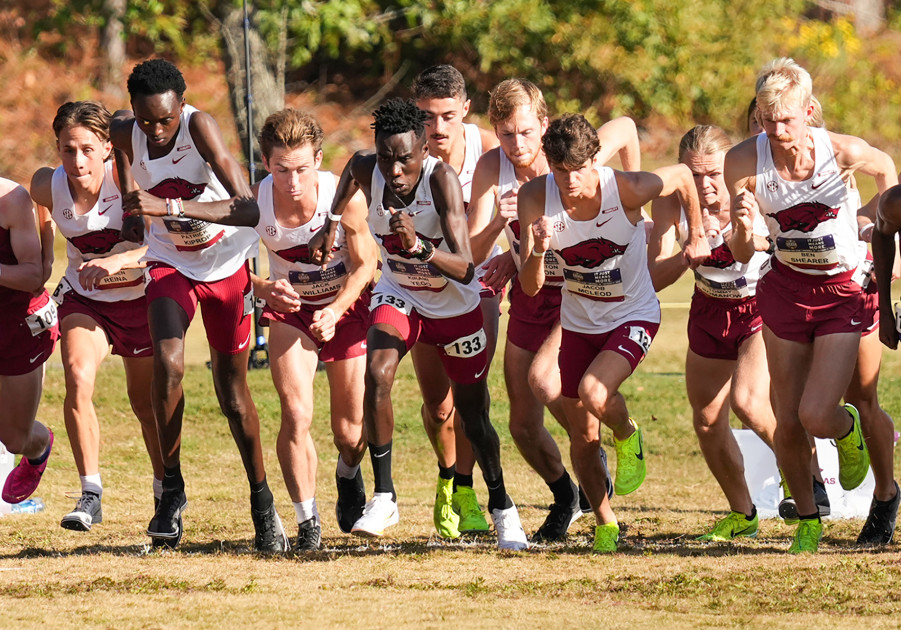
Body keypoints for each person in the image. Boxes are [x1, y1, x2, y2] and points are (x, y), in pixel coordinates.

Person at [311, 98, 528, 550]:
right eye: (387, 157)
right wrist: (330, 222)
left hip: (454, 305)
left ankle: (503, 506)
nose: (394, 171)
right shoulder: (368, 166)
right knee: (378, 373)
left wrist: (421, 249)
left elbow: (468, 267)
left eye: (405, 158)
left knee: (473, 415)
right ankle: (385, 496)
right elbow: (352, 170)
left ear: (424, 150)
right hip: (401, 292)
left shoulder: (442, 181)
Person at [109, 59, 288, 551]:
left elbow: (247, 207)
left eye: (165, 119)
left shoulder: (198, 126)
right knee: (167, 364)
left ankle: (262, 503)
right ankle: (171, 489)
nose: (157, 130)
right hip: (172, 264)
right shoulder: (126, 131)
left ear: (181, 107)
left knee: (232, 397)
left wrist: (167, 207)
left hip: (227, 266)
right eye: (147, 121)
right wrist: (130, 203)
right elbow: (123, 155)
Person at [725, 57, 897, 553]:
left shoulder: (840, 151)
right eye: (766, 119)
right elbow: (741, 252)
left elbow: (886, 168)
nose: (776, 131)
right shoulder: (742, 161)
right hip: (785, 289)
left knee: (827, 411)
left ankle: (874, 479)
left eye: (787, 119)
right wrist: (742, 227)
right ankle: (807, 517)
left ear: (810, 111)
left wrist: (880, 226)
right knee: (788, 415)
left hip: (844, 290)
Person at [518, 113, 707, 552]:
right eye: (559, 171)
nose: (568, 181)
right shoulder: (535, 197)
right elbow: (530, 286)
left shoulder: (623, 188)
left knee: (594, 392)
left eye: (578, 170)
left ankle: (627, 434)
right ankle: (605, 522)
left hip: (633, 313)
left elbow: (680, 175)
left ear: (593, 162)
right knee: (582, 434)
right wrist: (539, 251)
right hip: (580, 320)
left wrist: (695, 234)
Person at [467, 78, 640, 541]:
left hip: (578, 294)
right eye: (506, 134)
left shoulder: (571, 158)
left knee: (550, 386)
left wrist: (631, 219)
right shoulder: (491, 167)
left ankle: (597, 462)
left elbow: (624, 127)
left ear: (543, 125)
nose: (517, 144)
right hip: (530, 290)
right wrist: (507, 241)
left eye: (526, 132)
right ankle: (568, 496)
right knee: (522, 425)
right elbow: (471, 247)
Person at [30, 101, 164, 531]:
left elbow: (162, 244)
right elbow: (35, 207)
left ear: (108, 148)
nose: (77, 161)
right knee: (77, 376)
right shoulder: (47, 184)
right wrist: (45, 254)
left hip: (140, 301)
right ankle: (90, 493)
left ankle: (166, 492)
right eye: (68, 150)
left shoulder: (134, 183)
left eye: (87, 149)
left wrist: (114, 262)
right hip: (85, 302)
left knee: (145, 405)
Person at [251, 108, 376, 550]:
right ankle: (308, 524)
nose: (293, 182)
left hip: (346, 307)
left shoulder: (344, 201)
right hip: (292, 314)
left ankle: (348, 472)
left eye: (302, 168)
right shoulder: (256, 201)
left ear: (318, 160)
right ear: (267, 164)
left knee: (350, 432)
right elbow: (225, 269)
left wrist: (338, 308)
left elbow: (366, 266)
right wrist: (265, 287)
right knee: (297, 413)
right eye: (282, 169)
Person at [648, 124, 777, 541]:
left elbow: (761, 243)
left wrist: (745, 233)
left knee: (750, 404)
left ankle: (805, 477)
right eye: (693, 175)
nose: (704, 186)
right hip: (708, 308)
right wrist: (687, 258)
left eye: (713, 174)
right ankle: (743, 514)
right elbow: (653, 277)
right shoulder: (670, 204)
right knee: (706, 420)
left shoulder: (752, 192)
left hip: (759, 306)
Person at [410, 65, 501, 536]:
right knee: (437, 404)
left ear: (466, 109)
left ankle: (465, 488)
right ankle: (447, 474)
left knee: (471, 398)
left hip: (481, 279)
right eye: (427, 117)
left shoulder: (489, 149)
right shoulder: (404, 153)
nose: (438, 128)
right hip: (423, 283)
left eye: (448, 115)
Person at [0, 177, 57, 506]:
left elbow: (33, 276)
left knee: (14, 437)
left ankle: (39, 448)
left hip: (20, 326)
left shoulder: (11, 198)